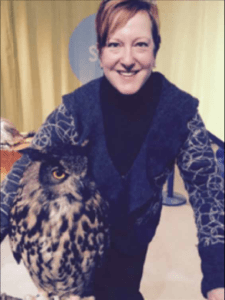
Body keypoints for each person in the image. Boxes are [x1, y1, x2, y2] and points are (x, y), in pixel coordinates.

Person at [1, 0, 224, 299]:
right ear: (100, 51)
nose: (127, 59)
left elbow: (208, 193)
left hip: (131, 247)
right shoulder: (76, 109)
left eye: (141, 44)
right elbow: (22, 172)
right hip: (70, 248)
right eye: (115, 44)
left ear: (156, 50)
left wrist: (217, 278)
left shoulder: (180, 112)